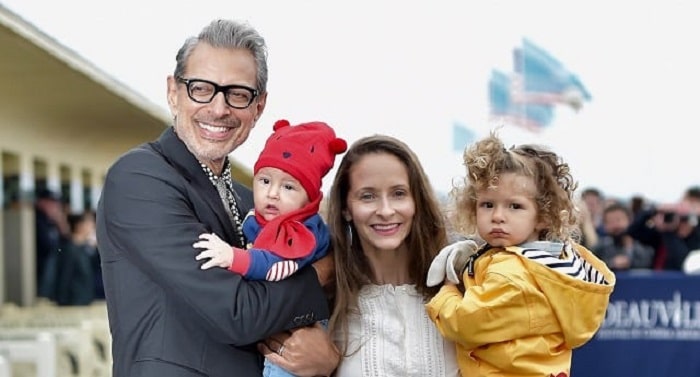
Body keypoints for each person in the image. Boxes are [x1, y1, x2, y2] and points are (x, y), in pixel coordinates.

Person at [96, 19, 337, 377]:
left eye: (238, 93)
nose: (219, 108)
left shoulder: (250, 203)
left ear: (259, 107)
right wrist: (324, 271)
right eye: (201, 88)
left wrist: (327, 359)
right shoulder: (140, 179)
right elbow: (238, 314)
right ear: (173, 92)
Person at [264, 135, 460, 376]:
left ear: (416, 201)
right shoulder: (323, 304)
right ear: (346, 208)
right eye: (368, 196)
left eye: (399, 193)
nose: (386, 211)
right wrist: (324, 370)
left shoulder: (459, 293)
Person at [425, 131, 615, 377]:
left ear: (543, 216)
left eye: (515, 206)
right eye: (487, 204)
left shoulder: (512, 273)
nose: (498, 216)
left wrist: (447, 291)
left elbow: (466, 324)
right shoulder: (552, 264)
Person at [192, 118, 347, 377]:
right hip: (277, 319)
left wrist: (233, 257)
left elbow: (278, 266)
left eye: (288, 187)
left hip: (301, 329)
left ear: (309, 199)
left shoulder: (302, 231)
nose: (273, 193)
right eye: (265, 181)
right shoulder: (263, 218)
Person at [56, 210, 100, 305]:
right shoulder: (70, 249)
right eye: (89, 224)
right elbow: (64, 277)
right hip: (73, 302)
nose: (93, 227)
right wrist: (62, 300)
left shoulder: (85, 248)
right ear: (80, 226)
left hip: (84, 300)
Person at [593, 202, 654, 270]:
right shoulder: (599, 248)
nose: (615, 225)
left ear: (630, 220)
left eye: (618, 220)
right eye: (610, 222)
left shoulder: (645, 246)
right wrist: (611, 264)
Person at [35, 188, 70, 300]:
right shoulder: (36, 219)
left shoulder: (53, 220)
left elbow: (66, 242)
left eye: (56, 203)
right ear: (40, 202)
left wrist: (62, 223)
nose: (55, 206)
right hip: (37, 265)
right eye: (50, 202)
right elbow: (47, 244)